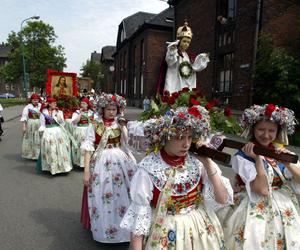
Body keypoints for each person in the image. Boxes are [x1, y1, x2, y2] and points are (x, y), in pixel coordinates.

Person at [120, 106, 233, 250]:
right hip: (165, 231)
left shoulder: (197, 163)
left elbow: (222, 199)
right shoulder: (148, 168)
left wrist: (207, 162)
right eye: (179, 137)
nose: (186, 144)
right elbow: (139, 219)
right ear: (164, 136)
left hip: (199, 229)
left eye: (189, 137)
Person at [217, 104, 300, 249]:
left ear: (278, 132)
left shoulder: (282, 153)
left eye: (271, 131)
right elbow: (261, 190)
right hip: (252, 205)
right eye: (261, 129)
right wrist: (257, 159)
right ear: (253, 129)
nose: (266, 135)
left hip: (282, 205)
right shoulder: (242, 157)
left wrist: (287, 164)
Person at [81, 93, 137, 243]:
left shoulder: (120, 123)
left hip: (120, 162)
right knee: (103, 194)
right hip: (100, 162)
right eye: (109, 109)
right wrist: (86, 171)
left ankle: (124, 231)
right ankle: (104, 229)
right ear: (102, 109)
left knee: (122, 195)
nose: (112, 112)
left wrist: (123, 127)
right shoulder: (94, 124)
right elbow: (88, 148)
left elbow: (127, 142)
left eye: (114, 109)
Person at [157, 21, 210, 95]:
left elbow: (194, 67)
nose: (186, 44)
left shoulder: (189, 56)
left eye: (188, 42)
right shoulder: (175, 52)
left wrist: (202, 59)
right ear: (179, 41)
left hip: (185, 82)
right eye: (184, 41)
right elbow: (170, 62)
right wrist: (172, 51)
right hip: (174, 80)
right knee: (171, 96)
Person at [36, 96, 72, 175]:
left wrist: (59, 118)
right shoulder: (44, 112)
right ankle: (51, 167)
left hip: (58, 132)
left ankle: (62, 167)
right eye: (53, 103)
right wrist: (41, 132)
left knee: (60, 149)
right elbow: (42, 124)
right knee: (50, 149)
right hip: (48, 132)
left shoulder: (59, 112)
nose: (55, 104)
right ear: (49, 104)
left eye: (55, 103)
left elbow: (62, 123)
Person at [71, 97, 97, 168]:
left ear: (87, 104)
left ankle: (88, 162)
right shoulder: (76, 112)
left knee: (88, 147)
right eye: (81, 103)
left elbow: (96, 122)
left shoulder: (92, 113)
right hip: (80, 130)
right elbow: (74, 122)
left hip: (89, 131)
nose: (82, 105)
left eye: (84, 103)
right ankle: (80, 163)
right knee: (80, 147)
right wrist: (80, 113)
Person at [20, 93, 42, 160]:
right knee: (31, 139)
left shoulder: (41, 106)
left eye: (37, 100)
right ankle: (32, 155)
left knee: (39, 139)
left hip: (39, 124)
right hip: (31, 124)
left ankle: (39, 154)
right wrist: (24, 126)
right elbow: (24, 117)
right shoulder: (27, 107)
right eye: (34, 100)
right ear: (31, 100)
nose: (36, 101)